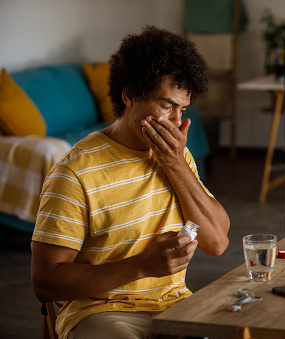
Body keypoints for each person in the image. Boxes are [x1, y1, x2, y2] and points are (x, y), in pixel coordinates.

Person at [31, 25, 230, 339]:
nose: (177, 123)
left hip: (175, 306)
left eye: (183, 109)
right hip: (101, 312)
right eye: (166, 106)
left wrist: (176, 165)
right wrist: (140, 266)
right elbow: (45, 282)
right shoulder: (75, 173)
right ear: (129, 96)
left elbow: (217, 242)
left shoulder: (178, 157)